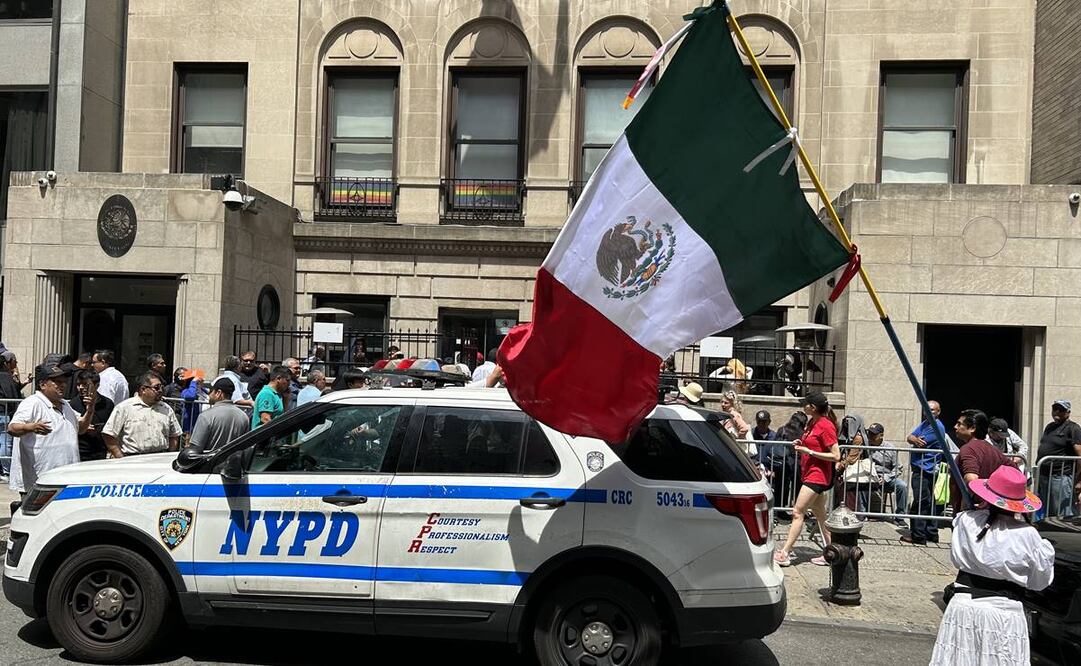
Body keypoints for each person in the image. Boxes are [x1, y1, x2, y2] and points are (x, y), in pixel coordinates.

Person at [930, 466, 1055, 665]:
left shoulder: (966, 521)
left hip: (964, 607)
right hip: (1003, 614)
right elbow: (1039, 582)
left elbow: (956, 558)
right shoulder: (1028, 535)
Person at [773, 390, 841, 567]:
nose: (803, 406)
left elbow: (836, 456)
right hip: (810, 474)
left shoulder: (826, 425)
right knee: (821, 516)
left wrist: (809, 451)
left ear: (813, 407)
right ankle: (833, 553)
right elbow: (813, 444)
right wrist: (801, 444)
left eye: (806, 404)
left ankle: (785, 553)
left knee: (797, 512)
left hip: (817, 476)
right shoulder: (812, 422)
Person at [7, 365, 94, 495]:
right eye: (57, 382)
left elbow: (81, 429)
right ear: (42, 385)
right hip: (40, 481)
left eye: (64, 382)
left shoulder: (65, 405)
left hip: (66, 478)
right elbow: (12, 428)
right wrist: (31, 427)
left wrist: (90, 410)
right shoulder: (33, 403)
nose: (63, 385)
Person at [904, 400, 952, 545]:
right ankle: (931, 533)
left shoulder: (936, 426)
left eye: (932, 410)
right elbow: (910, 437)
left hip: (925, 469)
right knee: (928, 503)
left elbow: (920, 442)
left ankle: (918, 536)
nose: (928, 412)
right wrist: (913, 439)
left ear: (938, 412)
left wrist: (914, 439)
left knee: (920, 503)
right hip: (923, 468)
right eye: (926, 408)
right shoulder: (925, 424)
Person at [102, 372, 182, 457]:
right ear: (143, 389)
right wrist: (119, 456)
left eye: (162, 387)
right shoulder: (124, 408)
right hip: (133, 459)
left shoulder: (166, 408)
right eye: (156, 387)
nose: (160, 391)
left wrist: (169, 454)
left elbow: (174, 434)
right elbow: (108, 434)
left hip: (160, 458)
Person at [951, 409, 1011, 513]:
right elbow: (1015, 472)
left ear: (972, 428)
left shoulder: (969, 449)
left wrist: (966, 506)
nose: (955, 427)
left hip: (974, 514)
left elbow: (971, 478)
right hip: (991, 512)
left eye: (959, 424)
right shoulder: (993, 450)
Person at [1035, 398, 1081, 518]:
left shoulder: (1073, 428)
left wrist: (1079, 480)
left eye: (1061, 410)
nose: (1057, 412)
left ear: (1068, 412)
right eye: (1055, 409)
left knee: (1061, 513)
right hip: (1044, 475)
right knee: (1048, 512)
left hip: (1060, 476)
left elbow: (1080, 455)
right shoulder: (1049, 427)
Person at [183, 378, 250, 456]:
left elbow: (195, 449)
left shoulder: (206, 416)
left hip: (210, 462)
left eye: (212, 391)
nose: (209, 395)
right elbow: (244, 447)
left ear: (218, 393)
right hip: (233, 462)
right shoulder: (244, 417)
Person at [864, 423, 908, 526]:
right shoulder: (864, 445)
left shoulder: (890, 448)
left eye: (873, 434)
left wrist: (886, 478)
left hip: (886, 478)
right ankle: (861, 514)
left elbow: (898, 468)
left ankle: (900, 517)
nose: (870, 436)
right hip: (868, 477)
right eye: (869, 433)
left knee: (902, 486)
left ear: (881, 435)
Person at [68, 369, 115, 462]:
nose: (81, 387)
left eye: (85, 384)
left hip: (101, 451)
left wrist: (100, 428)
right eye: (78, 384)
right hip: (81, 451)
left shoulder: (107, 404)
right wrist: (83, 427)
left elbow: (112, 426)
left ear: (97, 385)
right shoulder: (73, 404)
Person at [755, 410, 796, 514]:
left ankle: (778, 511)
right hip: (754, 468)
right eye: (759, 422)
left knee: (783, 478)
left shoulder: (775, 437)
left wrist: (772, 470)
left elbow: (779, 456)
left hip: (771, 470)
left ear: (769, 422)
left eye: (764, 422)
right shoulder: (751, 434)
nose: (761, 424)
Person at [180, 369, 207, 438]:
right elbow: (190, 396)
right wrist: (194, 382)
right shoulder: (185, 391)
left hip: (204, 424)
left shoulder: (204, 391)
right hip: (191, 427)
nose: (202, 381)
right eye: (199, 380)